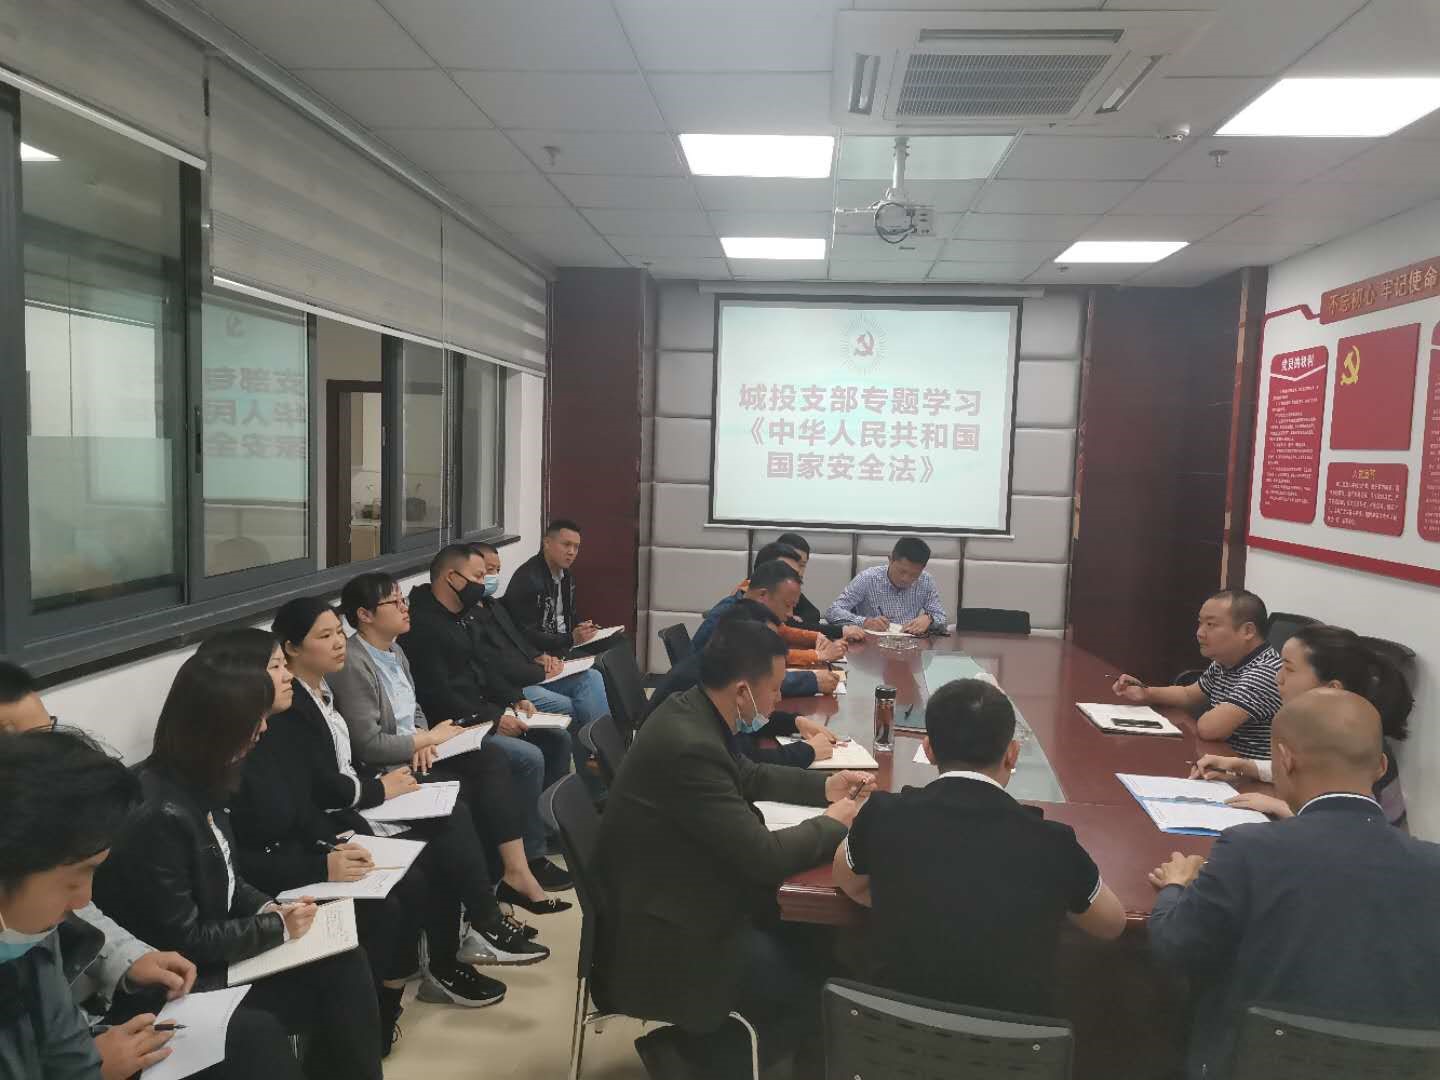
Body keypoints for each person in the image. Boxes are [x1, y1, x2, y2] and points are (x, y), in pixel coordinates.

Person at [596, 619, 873, 1078]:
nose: (779, 700)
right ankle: (692, 1057)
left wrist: (825, 788)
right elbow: (765, 857)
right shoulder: (689, 743)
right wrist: (833, 823)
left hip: (677, 893)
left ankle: (715, 1052)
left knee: (825, 947)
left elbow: (747, 773)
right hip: (668, 933)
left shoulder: (695, 709)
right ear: (744, 691)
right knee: (818, 981)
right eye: (775, 689)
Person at [91, 654, 385, 1080]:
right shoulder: (159, 813)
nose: (262, 729)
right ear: (218, 726)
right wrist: (274, 928)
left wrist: (268, 909)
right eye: (253, 720)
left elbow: (230, 876)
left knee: (345, 962)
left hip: (222, 950)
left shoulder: (205, 781)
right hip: (187, 977)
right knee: (276, 1023)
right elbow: (183, 940)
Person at [253, 601, 549, 995]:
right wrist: (380, 788)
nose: (340, 643)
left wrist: (405, 759)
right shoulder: (290, 709)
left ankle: (476, 930)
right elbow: (323, 785)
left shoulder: (321, 689)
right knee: (440, 839)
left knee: (456, 809)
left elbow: (349, 758)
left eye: (338, 633)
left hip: (355, 797)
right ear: (292, 648)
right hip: (337, 818)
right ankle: (465, 942)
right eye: (325, 636)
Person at [1147, 688, 1440, 1080]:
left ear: (1285, 760)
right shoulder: (1432, 864)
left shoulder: (1249, 849)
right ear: (1381, 766)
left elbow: (1176, 947)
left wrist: (1176, 888)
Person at [833, 678, 1126, 1014]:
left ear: (928, 750)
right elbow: (1112, 924)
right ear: (1012, 754)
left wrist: (908, 896)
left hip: (888, 1034)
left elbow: (846, 877)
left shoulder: (884, 814)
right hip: (1014, 1042)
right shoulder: (1053, 842)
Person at [331, 572, 568, 914]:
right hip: (389, 767)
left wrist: (422, 739)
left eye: (403, 600)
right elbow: (370, 744)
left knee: (490, 760)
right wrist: (424, 739)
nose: (404, 607)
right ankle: (488, 896)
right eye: (394, 602)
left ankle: (514, 873)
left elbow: (413, 707)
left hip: (419, 750)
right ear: (365, 614)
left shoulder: (394, 650)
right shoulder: (354, 664)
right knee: (475, 784)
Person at [401, 544, 572, 890]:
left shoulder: (463, 614)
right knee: (528, 758)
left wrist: (514, 698)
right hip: (453, 725)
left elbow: (485, 667)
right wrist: (494, 720)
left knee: (557, 738)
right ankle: (529, 857)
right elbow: (439, 695)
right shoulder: (424, 626)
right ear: (452, 578)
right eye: (479, 576)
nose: (485, 583)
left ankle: (544, 829)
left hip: (482, 710)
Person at [1191, 624, 1412, 825]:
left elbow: (1351, 828)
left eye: (1289, 669)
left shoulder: (1359, 745)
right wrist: (1244, 767)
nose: (1278, 678)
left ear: (1331, 689)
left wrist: (1279, 807)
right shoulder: (1319, 729)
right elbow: (1309, 771)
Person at [648, 606, 842, 769]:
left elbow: (747, 716)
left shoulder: (716, 672)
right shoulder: (699, 688)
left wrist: (795, 722)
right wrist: (806, 751)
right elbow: (745, 763)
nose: (779, 697)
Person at [1113, 589, 1280, 759]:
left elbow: (1209, 729)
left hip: (1247, 770)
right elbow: (1188, 695)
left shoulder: (1265, 672)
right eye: (1200, 623)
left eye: (1211, 624)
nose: (1199, 632)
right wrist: (1146, 692)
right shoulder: (1225, 661)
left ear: (1248, 631)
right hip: (1219, 759)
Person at [691, 560, 844, 697]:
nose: (790, 614)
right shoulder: (735, 619)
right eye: (787, 605)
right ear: (763, 595)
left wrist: (816, 638)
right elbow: (757, 682)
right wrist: (813, 680)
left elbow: (783, 632)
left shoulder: (748, 609)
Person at [501, 518, 603, 654]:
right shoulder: (528, 579)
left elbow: (568, 616)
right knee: (599, 663)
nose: (572, 552)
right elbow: (527, 635)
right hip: (546, 652)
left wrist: (583, 628)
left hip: (566, 642)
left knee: (618, 642)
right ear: (547, 543)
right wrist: (570, 639)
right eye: (566, 545)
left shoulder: (566, 575)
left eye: (576, 547)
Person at [826, 537, 947, 635]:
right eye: (902, 571)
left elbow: (942, 617)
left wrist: (929, 619)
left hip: (909, 646)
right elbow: (832, 612)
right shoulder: (868, 578)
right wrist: (865, 622)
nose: (905, 579)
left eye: (914, 575)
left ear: (922, 569)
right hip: (871, 647)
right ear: (890, 560)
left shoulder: (926, 581)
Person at [772, 534, 866, 643]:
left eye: (802, 565)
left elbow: (813, 613)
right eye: (793, 563)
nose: (798, 571)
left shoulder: (789, 586)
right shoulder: (769, 585)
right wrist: (842, 631)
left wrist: (799, 621)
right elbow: (789, 627)